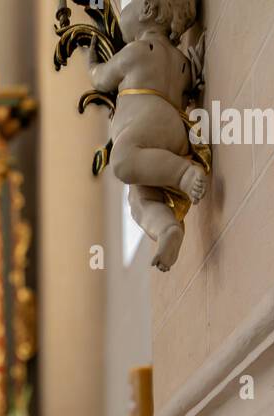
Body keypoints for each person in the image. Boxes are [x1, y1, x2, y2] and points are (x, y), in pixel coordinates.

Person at [89, 0, 207, 271]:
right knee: (139, 199)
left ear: (147, 10)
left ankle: (183, 174)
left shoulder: (136, 51)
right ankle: (168, 229)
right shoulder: (182, 63)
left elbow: (101, 79)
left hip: (148, 124)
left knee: (121, 160)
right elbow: (188, 89)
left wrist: (92, 62)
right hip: (175, 132)